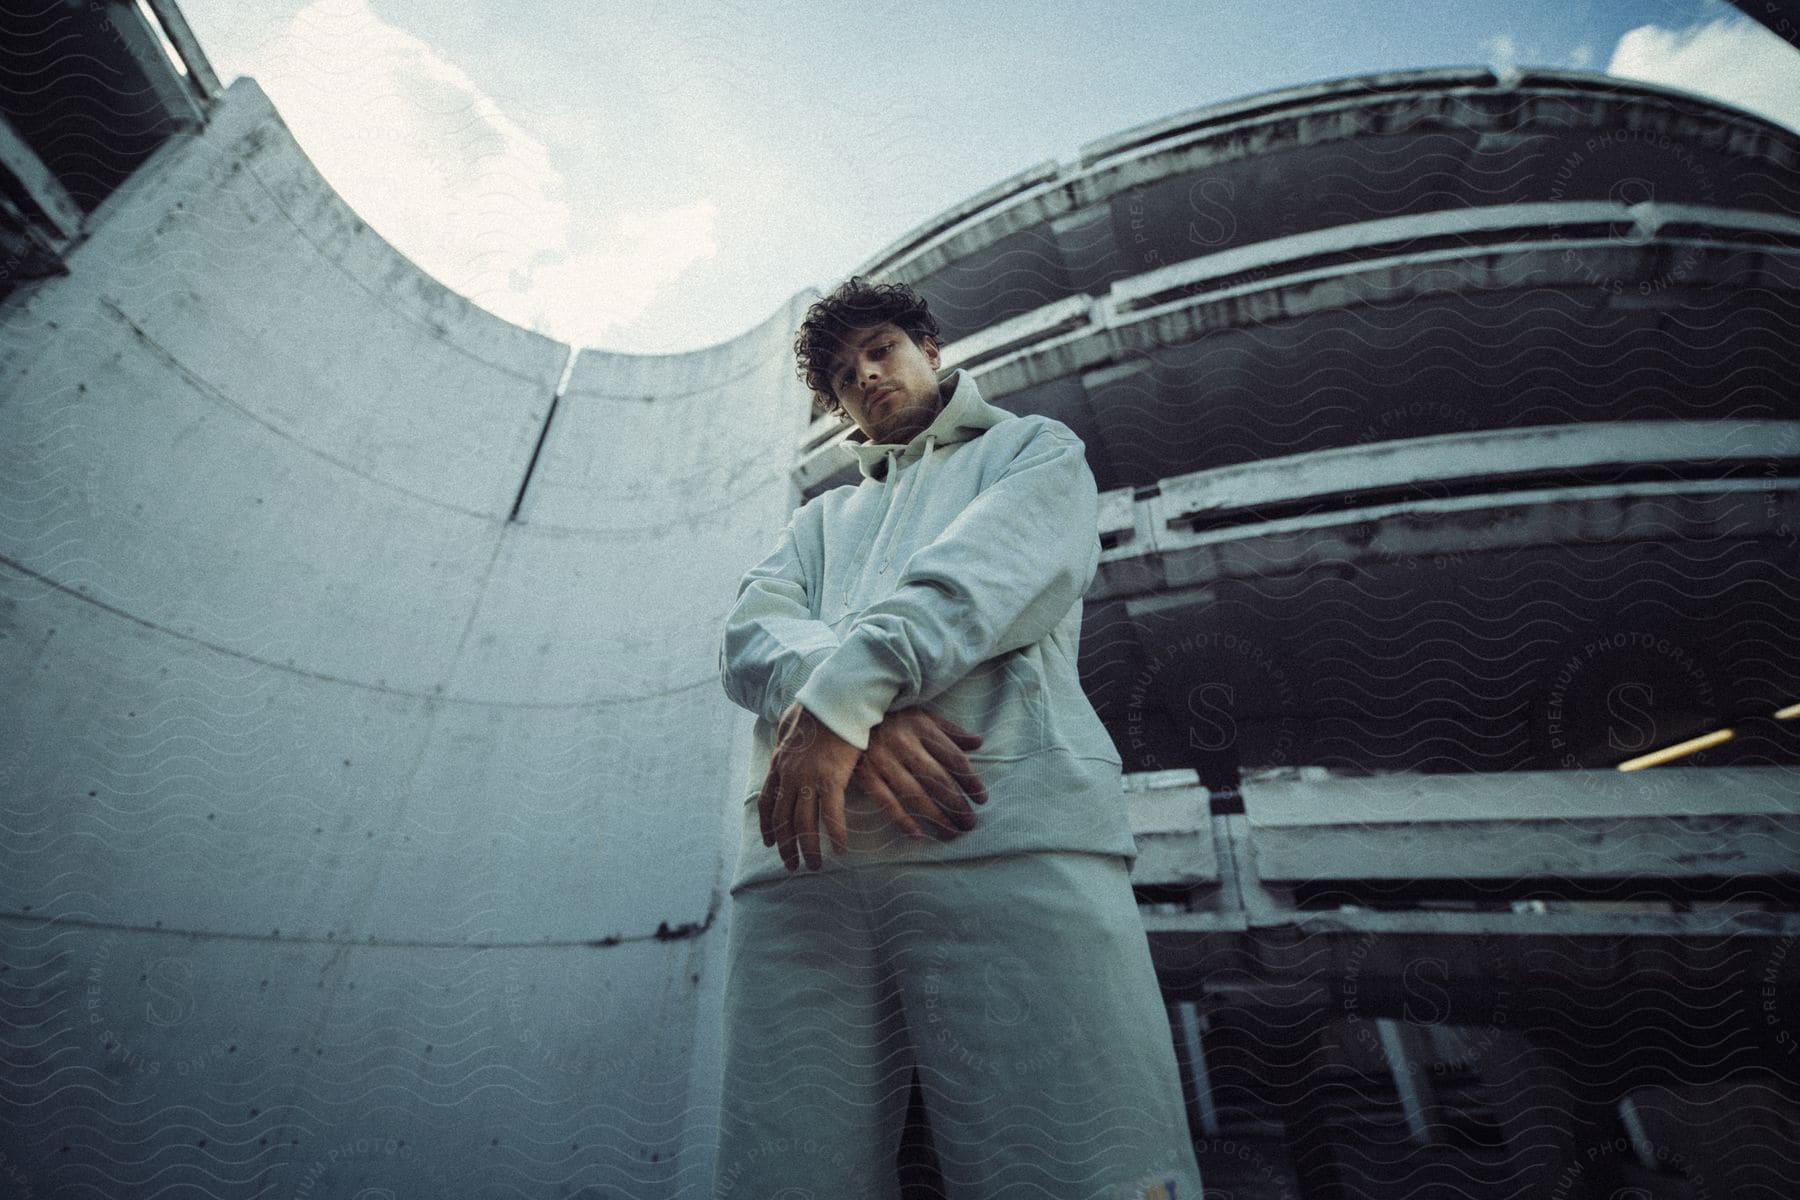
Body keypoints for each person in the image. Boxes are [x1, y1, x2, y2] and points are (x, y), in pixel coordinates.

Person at [714, 276, 1203, 1199]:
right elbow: (748, 635)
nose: (867, 376)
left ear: (930, 350)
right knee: (778, 1173)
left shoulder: (1033, 451)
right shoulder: (816, 522)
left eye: (882, 350)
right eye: (844, 375)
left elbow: (977, 582)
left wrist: (835, 708)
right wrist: (854, 711)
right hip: (803, 862)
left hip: (998, 831)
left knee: (1078, 1165)